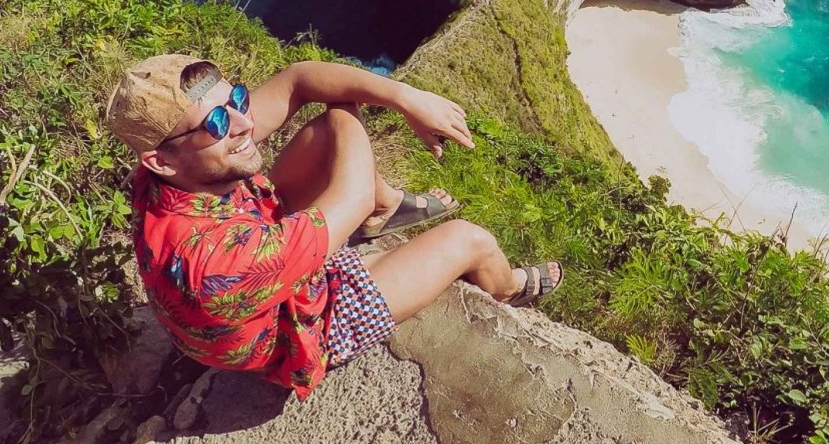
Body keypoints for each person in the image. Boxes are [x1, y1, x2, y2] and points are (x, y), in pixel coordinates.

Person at [103, 54, 562, 397]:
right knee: (471, 240)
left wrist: (406, 96)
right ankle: (507, 289)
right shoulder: (220, 261)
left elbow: (299, 79)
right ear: (160, 161)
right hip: (296, 330)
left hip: (252, 247)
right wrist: (347, 107)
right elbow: (353, 193)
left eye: (238, 99)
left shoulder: (173, 172)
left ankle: (387, 209)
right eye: (218, 122)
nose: (244, 124)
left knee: (326, 133)